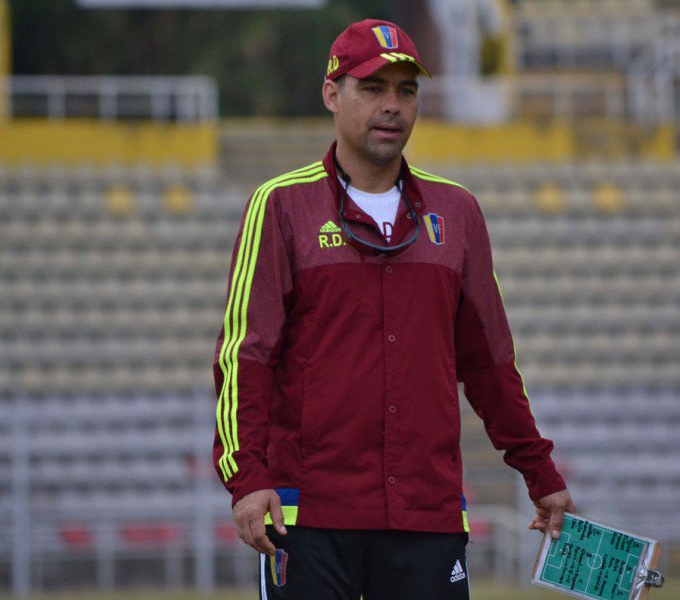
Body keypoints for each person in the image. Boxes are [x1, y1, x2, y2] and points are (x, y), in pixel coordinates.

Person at [212, 18, 576, 599]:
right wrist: (247, 479)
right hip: (308, 518)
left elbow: (489, 363)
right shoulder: (280, 206)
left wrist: (540, 473)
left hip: (426, 517)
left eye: (406, 91)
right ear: (333, 94)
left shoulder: (457, 213)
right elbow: (245, 357)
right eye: (373, 87)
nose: (392, 106)